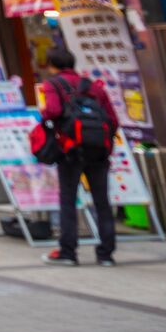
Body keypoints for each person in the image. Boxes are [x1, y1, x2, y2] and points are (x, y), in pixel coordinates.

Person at [37, 46, 119, 266]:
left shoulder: (53, 85)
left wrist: (44, 116)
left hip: (71, 149)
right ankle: (106, 254)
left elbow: (52, 111)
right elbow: (112, 119)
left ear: (52, 65)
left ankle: (68, 252)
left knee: (68, 200)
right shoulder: (93, 87)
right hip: (98, 151)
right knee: (102, 201)